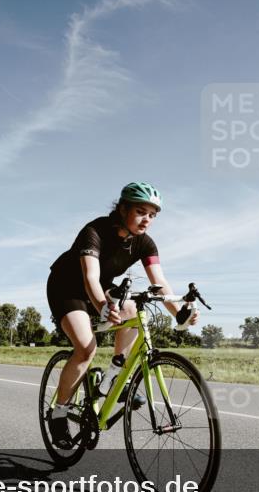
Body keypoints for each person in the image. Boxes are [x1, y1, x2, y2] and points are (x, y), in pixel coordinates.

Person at [45, 182, 199, 446]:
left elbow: (159, 282)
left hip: (101, 286)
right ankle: (58, 413)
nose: (147, 220)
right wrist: (103, 307)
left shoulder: (145, 243)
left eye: (152, 215)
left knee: (132, 310)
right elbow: (90, 278)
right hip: (67, 287)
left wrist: (178, 313)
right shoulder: (95, 231)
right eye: (140, 212)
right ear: (123, 208)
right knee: (86, 348)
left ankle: (116, 377)